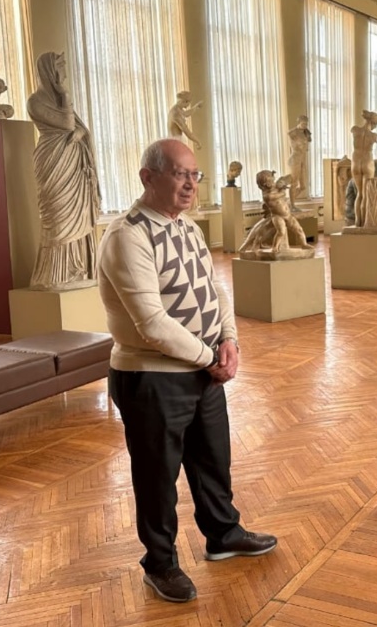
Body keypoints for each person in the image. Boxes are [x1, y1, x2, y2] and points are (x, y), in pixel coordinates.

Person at [98, 138, 277, 604]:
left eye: (194, 175)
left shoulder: (188, 228)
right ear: (148, 177)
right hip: (151, 377)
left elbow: (214, 290)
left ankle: (223, 534)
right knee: (157, 476)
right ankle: (160, 563)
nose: (190, 184)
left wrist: (229, 339)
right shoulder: (127, 235)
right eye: (180, 174)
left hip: (201, 369)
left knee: (213, 460)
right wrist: (209, 357)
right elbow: (151, 323)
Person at [27, 52, 100, 290]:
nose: (64, 73)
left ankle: (76, 270)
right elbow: (67, 125)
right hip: (52, 159)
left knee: (76, 212)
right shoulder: (36, 101)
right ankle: (54, 274)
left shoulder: (58, 101)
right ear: (49, 70)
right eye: (60, 67)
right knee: (57, 215)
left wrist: (81, 133)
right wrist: (65, 95)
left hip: (72, 161)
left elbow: (78, 129)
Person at [350, 110, 377, 226]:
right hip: (367, 161)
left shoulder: (355, 130)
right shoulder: (374, 136)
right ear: (373, 124)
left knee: (359, 194)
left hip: (355, 161)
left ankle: (358, 221)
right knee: (366, 194)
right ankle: (364, 222)